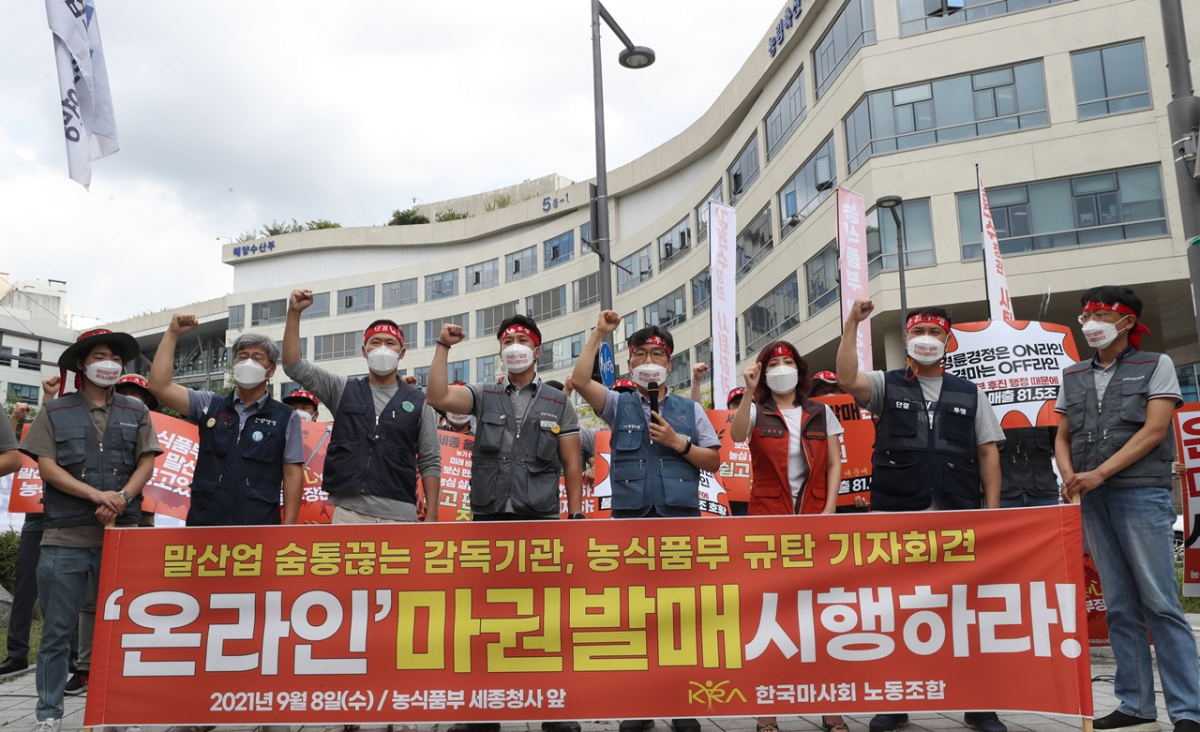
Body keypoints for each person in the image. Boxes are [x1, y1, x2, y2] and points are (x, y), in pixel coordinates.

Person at [836, 301, 1006, 732]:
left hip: (958, 514)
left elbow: (987, 452)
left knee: (964, 611)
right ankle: (897, 699)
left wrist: (993, 512)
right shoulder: (886, 385)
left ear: (947, 340)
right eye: (918, 331)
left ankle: (978, 702)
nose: (926, 338)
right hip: (897, 514)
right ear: (908, 340)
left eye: (935, 330)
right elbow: (845, 378)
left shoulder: (970, 392)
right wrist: (854, 323)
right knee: (897, 610)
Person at [426, 314, 582, 732]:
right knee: (483, 616)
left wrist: (578, 515)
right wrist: (443, 347)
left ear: (536, 349)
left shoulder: (557, 401)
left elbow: (571, 462)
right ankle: (483, 710)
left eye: (521, 339)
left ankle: (555, 709)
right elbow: (438, 396)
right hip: (489, 519)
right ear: (500, 349)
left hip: (541, 521)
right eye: (507, 339)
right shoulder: (483, 393)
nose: (514, 345)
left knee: (547, 617)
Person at [1055, 286, 1200, 732]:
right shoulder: (1074, 373)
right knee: (1118, 603)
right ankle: (1134, 704)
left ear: (1127, 321)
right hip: (1090, 499)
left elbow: (1156, 429)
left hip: (1140, 493)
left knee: (1160, 602)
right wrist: (1070, 476)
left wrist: (1099, 473)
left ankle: (1188, 710)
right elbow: (1060, 436)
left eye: (1099, 314)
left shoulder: (1155, 364)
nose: (1089, 324)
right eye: (1085, 316)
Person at [572, 311, 720, 732]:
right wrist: (600, 333)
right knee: (637, 616)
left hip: (679, 527)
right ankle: (640, 704)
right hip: (633, 529)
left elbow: (714, 458)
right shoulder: (618, 405)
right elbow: (581, 380)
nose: (649, 361)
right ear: (631, 363)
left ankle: (681, 704)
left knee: (679, 618)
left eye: (657, 354)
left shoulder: (691, 409)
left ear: (670, 364)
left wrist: (679, 442)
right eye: (640, 355)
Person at [20, 329, 161, 732]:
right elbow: (47, 466)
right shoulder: (57, 410)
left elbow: (146, 463)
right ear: (82, 364)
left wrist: (120, 496)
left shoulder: (136, 411)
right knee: (57, 632)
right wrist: (98, 496)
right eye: (100, 356)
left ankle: (118, 712)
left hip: (120, 540)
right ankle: (49, 714)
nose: (109, 364)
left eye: (116, 358)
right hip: (64, 539)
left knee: (122, 629)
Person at [730, 340, 846, 732]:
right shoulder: (758, 410)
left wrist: (830, 508)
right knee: (771, 616)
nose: (782, 368)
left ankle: (832, 712)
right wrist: (748, 390)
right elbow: (736, 435)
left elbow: (834, 463)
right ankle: (767, 715)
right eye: (773, 363)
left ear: (800, 369)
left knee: (820, 616)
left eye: (787, 362)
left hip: (815, 518)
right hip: (769, 520)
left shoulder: (820, 412)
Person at [282, 290, 441, 527]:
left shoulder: (419, 402)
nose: (383, 349)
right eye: (375, 343)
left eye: (390, 343)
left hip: (401, 516)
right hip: (349, 513)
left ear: (402, 353)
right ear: (364, 351)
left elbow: (430, 460)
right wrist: (294, 313)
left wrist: (432, 516)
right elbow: (294, 367)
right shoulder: (342, 388)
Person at [149, 316, 303, 527]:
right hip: (206, 523)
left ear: (271, 370)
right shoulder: (208, 404)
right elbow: (159, 386)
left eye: (258, 357)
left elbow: (293, 473)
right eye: (242, 356)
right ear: (233, 366)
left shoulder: (286, 416)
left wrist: (289, 525)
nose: (249, 362)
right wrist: (172, 334)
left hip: (258, 525)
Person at [0, 398, 28, 677]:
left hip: (66, 519)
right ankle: (17, 653)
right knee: (25, 587)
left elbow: (11, 457)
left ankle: (75, 659)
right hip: (36, 518)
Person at [999, 426, 1059, 508]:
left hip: (1044, 493)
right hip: (1004, 495)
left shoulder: (1045, 413)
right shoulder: (991, 414)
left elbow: (1062, 445)